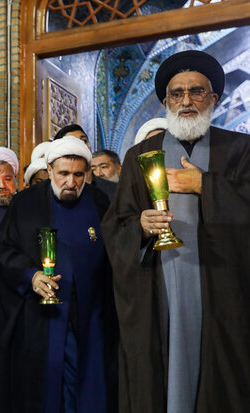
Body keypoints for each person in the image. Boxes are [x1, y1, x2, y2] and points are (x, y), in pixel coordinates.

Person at [102, 50, 250, 413]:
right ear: (165, 102)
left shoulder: (240, 149)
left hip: (223, 292)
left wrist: (205, 186)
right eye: (176, 93)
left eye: (196, 91)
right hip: (159, 288)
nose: (186, 101)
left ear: (213, 98)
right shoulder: (141, 154)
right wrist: (140, 225)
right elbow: (116, 223)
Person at [0, 136, 117, 413]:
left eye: (78, 175)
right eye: (63, 174)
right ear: (49, 170)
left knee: (89, 389)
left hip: (92, 315)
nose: (70, 183)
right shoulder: (26, 203)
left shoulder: (101, 202)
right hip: (41, 319)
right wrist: (31, 276)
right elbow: (4, 251)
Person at [54, 124, 117, 201]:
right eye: (73, 142)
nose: (82, 146)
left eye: (84, 141)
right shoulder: (45, 192)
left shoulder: (114, 190)